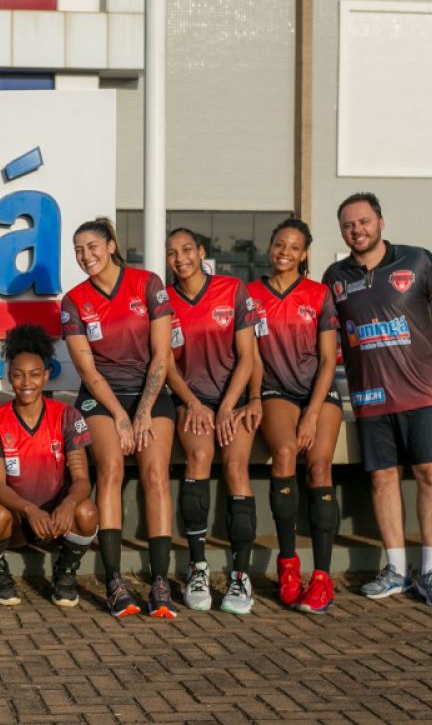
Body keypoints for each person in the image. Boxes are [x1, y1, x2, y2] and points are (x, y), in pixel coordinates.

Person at [323, 193, 432, 606]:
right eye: (348, 225)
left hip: (424, 393)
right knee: (382, 480)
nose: (356, 230)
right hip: (371, 397)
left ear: (381, 222)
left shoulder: (417, 260)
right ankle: (397, 569)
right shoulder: (334, 276)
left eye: (363, 221)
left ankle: (431, 571)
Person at [60, 218, 179, 618]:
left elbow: (161, 356)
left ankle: (160, 583)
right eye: (78, 250)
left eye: (92, 246)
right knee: (110, 469)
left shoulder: (147, 284)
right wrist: (120, 416)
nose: (86, 256)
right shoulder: (74, 300)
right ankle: (115, 583)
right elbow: (87, 370)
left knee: (155, 473)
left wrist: (142, 412)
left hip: (149, 395)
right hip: (101, 399)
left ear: (111, 245)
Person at [163, 229, 262, 614]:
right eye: (172, 253)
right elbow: (166, 364)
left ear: (201, 251)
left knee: (236, 467)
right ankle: (198, 567)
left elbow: (248, 356)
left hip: (232, 400)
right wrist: (193, 403)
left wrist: (229, 406)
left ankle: (240, 575)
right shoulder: (165, 300)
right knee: (199, 457)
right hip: (191, 401)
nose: (181, 258)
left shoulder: (232, 289)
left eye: (187, 249)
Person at [249, 218, 343, 614]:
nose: (284, 252)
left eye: (293, 247)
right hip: (276, 391)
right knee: (285, 453)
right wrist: (254, 397)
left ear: (304, 254)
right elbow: (251, 357)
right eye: (279, 244)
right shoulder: (251, 294)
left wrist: (312, 414)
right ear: (270, 246)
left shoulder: (319, 294)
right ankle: (288, 565)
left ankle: (322, 577)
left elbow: (328, 360)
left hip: (317, 392)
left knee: (319, 465)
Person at [0, 324, 99, 607]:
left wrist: (67, 505)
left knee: (87, 511)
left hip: (56, 519)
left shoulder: (66, 416)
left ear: (46, 375)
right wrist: (29, 510)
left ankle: (65, 573)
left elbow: (81, 479)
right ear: (9, 377)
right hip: (19, 520)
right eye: (18, 375)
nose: (26, 382)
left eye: (34, 374)